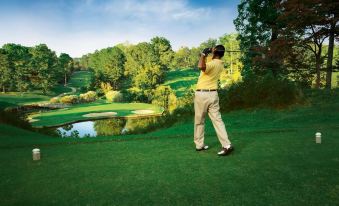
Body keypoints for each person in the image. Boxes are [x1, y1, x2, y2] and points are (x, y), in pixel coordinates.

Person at [194, 45, 234, 156]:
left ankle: (199, 145)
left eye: (213, 48)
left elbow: (201, 66)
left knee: (199, 121)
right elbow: (206, 61)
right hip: (213, 95)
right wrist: (206, 54)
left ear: (215, 52)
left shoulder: (212, 64)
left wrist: (203, 54)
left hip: (202, 94)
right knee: (217, 120)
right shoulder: (219, 63)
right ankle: (227, 145)